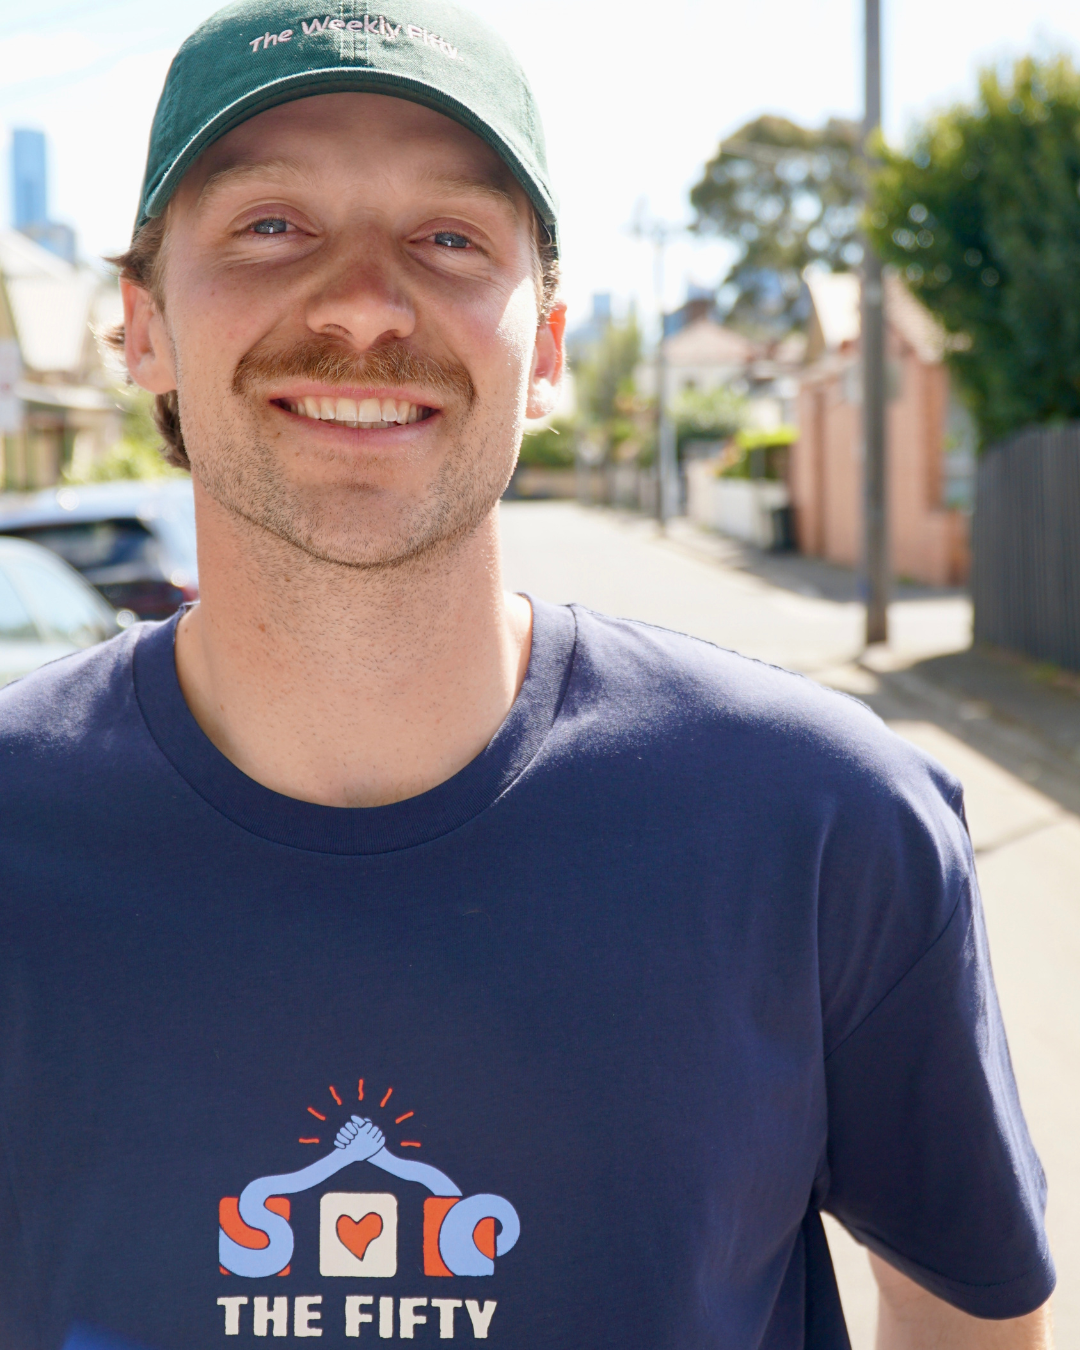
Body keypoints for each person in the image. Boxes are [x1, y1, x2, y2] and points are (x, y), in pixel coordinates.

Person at [0, 3, 1055, 1348]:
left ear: (547, 348)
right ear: (140, 328)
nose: (367, 305)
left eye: (449, 238)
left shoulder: (831, 824)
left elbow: (972, 1327)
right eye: (271, 224)